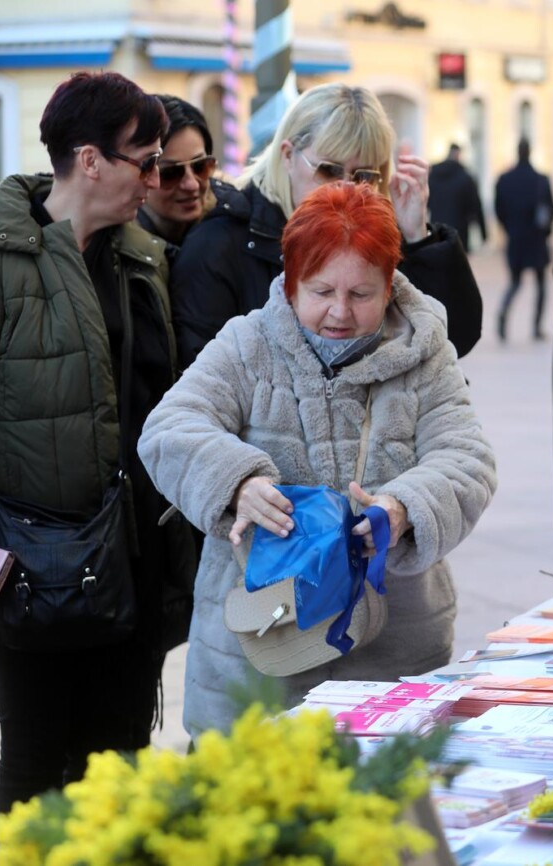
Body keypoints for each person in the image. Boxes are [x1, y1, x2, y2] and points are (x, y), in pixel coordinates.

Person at [138, 182, 497, 737]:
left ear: (391, 284)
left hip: (393, 649)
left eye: (361, 294)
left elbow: (466, 456)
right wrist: (237, 483)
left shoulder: (425, 353)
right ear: (289, 281)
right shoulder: (246, 344)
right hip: (259, 651)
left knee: (390, 813)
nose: (339, 312)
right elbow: (169, 428)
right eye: (321, 290)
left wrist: (402, 509)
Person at [0, 71, 197, 812]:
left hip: (132, 555)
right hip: (28, 562)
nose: (156, 177)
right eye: (145, 159)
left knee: (122, 756)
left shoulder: (144, 258)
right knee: (38, 757)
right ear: (92, 159)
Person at [169, 82, 482, 369]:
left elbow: (455, 338)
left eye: (364, 175)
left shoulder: (376, 234)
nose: (345, 187)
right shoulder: (220, 243)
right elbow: (206, 383)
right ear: (288, 156)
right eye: (329, 170)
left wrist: (417, 236)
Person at [137, 95, 218, 250]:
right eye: (170, 173)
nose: (191, 185)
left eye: (200, 166)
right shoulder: (111, 254)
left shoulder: (232, 232)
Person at [494, 138, 553, 342]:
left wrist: (509, 228)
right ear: (529, 153)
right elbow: (552, 208)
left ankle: (503, 314)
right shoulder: (541, 179)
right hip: (536, 238)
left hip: (516, 238)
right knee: (541, 283)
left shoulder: (504, 179)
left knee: (514, 282)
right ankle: (536, 327)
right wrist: (546, 232)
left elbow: (499, 210)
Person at [428, 142, 487, 251]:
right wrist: (484, 235)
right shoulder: (465, 177)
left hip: (437, 229)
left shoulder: (433, 175)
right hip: (459, 232)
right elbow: (476, 206)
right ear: (458, 154)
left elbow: (426, 202)